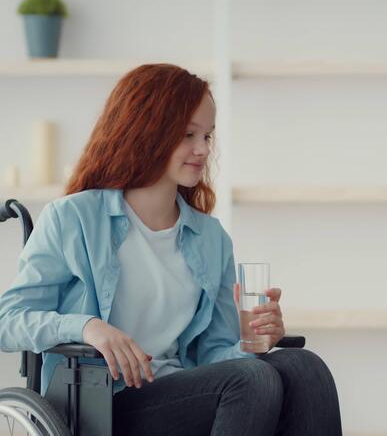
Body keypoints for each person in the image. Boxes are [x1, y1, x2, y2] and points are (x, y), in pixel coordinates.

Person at [0, 64, 342, 436]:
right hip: (104, 405)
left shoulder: (210, 237)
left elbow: (215, 358)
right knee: (251, 379)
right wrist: (88, 327)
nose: (203, 149)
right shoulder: (74, 218)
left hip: (183, 393)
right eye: (188, 134)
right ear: (146, 131)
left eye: (208, 136)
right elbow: (10, 321)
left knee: (304, 366)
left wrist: (250, 340)